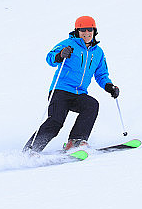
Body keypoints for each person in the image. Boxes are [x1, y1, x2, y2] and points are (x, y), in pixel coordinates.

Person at [24, 15, 120, 153]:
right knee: (56, 122)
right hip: (60, 91)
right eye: (83, 30)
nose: (86, 33)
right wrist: (61, 54)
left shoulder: (98, 52)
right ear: (77, 31)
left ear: (94, 31)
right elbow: (50, 58)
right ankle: (30, 151)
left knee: (91, 105)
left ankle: (76, 141)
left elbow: (101, 74)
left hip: (79, 93)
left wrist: (109, 87)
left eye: (90, 30)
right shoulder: (68, 44)